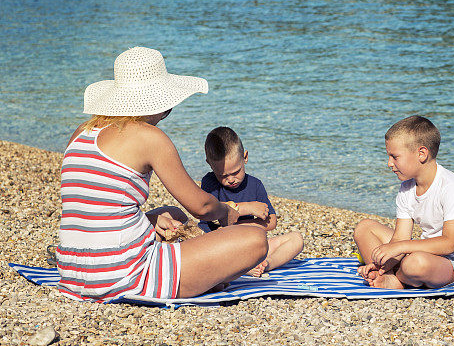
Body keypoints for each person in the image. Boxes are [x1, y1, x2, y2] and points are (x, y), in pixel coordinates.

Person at [56, 46, 271, 302]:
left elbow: (93, 209)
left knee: (171, 214)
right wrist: (228, 212)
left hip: (72, 272)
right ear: (156, 102)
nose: (164, 115)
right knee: (255, 239)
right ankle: (207, 278)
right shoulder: (149, 137)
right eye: (167, 109)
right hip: (124, 275)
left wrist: (147, 219)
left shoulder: (83, 131)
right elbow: (201, 206)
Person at [353, 115, 454, 289]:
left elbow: (449, 243)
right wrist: (383, 264)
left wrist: (399, 248)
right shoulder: (407, 188)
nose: (389, 163)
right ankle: (386, 275)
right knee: (364, 228)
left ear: (421, 154)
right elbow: (400, 237)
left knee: (415, 263)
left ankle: (397, 280)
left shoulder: (452, 186)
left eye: (395, 157)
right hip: (422, 253)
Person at [199, 126, 303, 276]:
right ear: (210, 164)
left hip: (247, 245)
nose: (230, 179)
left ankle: (266, 264)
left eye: (236, 172)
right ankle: (243, 268)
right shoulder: (210, 182)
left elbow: (271, 221)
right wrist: (246, 208)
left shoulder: (255, 185)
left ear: (245, 157)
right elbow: (212, 214)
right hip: (219, 246)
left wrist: (241, 227)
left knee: (296, 239)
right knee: (212, 254)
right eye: (223, 175)